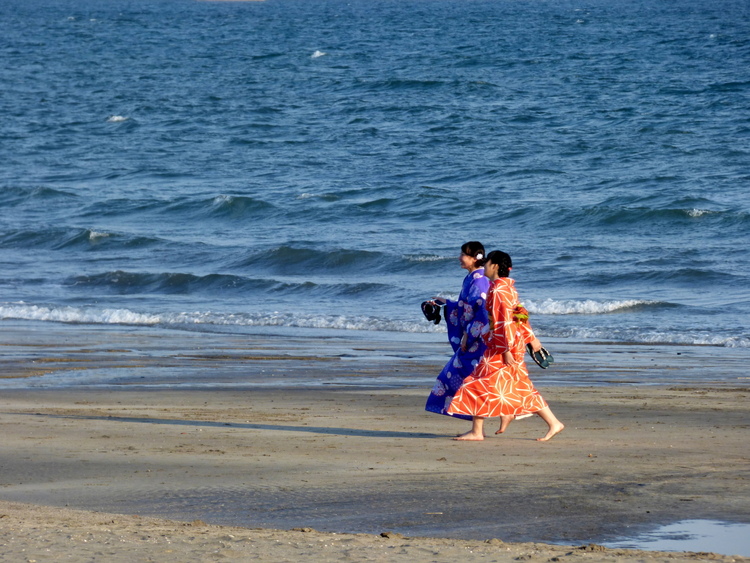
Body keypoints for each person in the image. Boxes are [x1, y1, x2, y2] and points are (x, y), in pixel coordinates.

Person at [447, 250, 564, 442]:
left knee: (475, 383)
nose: (484, 266)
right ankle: (551, 422)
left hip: (503, 346)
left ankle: (479, 431)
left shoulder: (499, 290)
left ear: (494, 266)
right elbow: (520, 315)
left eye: (487, 263)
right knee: (520, 386)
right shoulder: (507, 288)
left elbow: (504, 322)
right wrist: (530, 338)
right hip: (509, 343)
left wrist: (506, 350)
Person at [425, 242, 490, 420]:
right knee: (465, 379)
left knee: (468, 379)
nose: (459, 257)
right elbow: (465, 307)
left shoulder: (480, 280)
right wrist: (446, 304)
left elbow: (483, 313)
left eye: (463, 254)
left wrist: (468, 336)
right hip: (472, 339)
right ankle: (483, 424)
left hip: (478, 342)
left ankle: (493, 420)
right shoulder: (472, 278)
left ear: (475, 258)